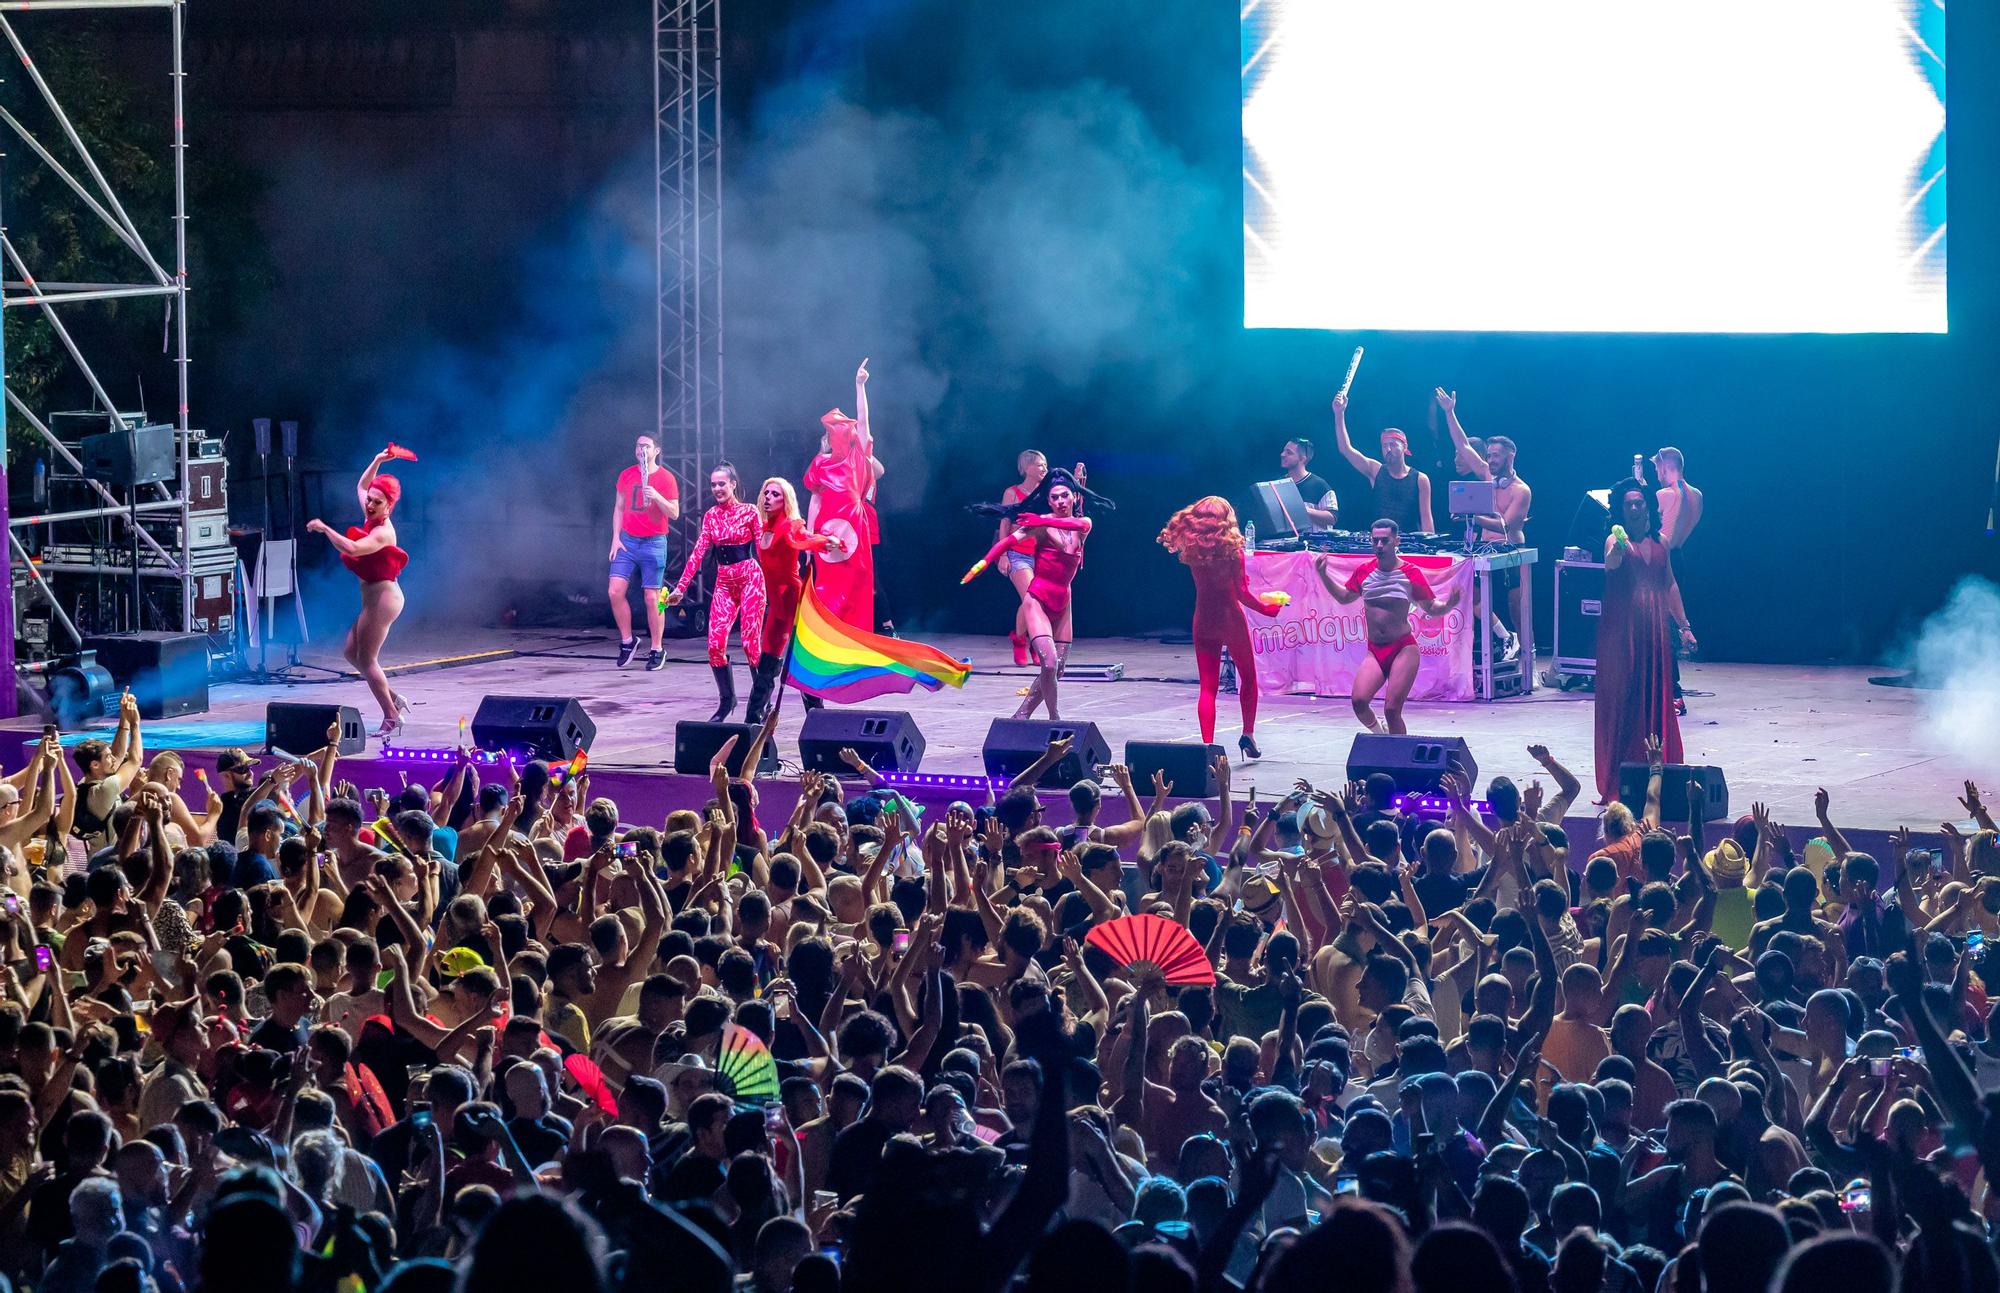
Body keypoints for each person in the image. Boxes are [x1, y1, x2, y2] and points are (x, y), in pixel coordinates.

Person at [966, 467, 1111, 721]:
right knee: (1050, 664)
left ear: (1074, 497)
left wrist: (1042, 520)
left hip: (1063, 602)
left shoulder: (1082, 525)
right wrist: (985, 561)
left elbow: (1076, 521)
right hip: (1038, 601)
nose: (1060, 502)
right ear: (1049, 500)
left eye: (1065, 496)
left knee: (1059, 669)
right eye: (1054, 498)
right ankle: (1055, 719)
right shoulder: (1041, 526)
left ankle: (1021, 715)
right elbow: (1008, 542)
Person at [1156, 497, 1285, 760]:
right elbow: (1242, 593)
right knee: (1248, 678)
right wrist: (1268, 610)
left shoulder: (1192, 550)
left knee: (1208, 687)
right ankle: (1248, 733)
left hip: (1203, 618)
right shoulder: (1232, 551)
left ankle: (1207, 747)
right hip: (1230, 619)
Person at [1593, 477, 1693, 801]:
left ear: (1648, 506)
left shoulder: (1662, 542)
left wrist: (1684, 625)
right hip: (1622, 634)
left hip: (1653, 631)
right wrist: (1618, 552)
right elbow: (1609, 563)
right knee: (1626, 700)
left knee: (1655, 695)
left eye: (1639, 503)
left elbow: (1671, 584)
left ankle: (1659, 770)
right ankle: (1620, 776)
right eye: (1629, 504)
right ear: (1621, 510)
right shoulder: (1615, 538)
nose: (1635, 508)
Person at [307, 445, 415, 738]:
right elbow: (362, 485)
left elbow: (353, 547)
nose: (369, 505)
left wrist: (325, 529)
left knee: (367, 659)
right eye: (369, 501)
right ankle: (392, 698)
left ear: (389, 507)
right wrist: (378, 459)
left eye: (376, 503)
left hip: (384, 599)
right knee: (350, 652)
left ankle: (391, 716)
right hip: (374, 598)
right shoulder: (372, 514)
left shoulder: (383, 532)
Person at [1313, 520, 1460, 734]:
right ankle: (1381, 737)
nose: (1379, 545)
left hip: (1403, 648)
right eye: (1375, 541)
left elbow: (1430, 607)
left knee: (1392, 710)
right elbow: (1344, 597)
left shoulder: (1410, 573)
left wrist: (1449, 604)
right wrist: (1323, 575)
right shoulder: (1364, 571)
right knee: (1359, 701)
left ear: (1396, 541)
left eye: (1384, 540)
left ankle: (1401, 760)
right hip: (1375, 650)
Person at [1435, 388, 1530, 660]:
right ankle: (1504, 636)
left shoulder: (1522, 490)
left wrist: (1470, 515)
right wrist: (1449, 412)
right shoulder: (1487, 473)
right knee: (1472, 594)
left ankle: (1528, 659)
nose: (1490, 460)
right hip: (1484, 547)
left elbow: (1506, 526)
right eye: (1488, 455)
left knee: (1516, 607)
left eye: (1495, 456)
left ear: (1510, 455)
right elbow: (1464, 446)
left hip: (1511, 550)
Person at [666, 463, 766, 722]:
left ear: (733, 484)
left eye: (722, 484)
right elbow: (698, 552)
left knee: (749, 645)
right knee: (714, 645)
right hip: (724, 583)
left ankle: (759, 704)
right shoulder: (711, 516)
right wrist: (680, 588)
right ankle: (726, 701)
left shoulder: (749, 511)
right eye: (713, 485)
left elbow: (764, 549)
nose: (717, 489)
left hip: (750, 578)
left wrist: (782, 582)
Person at [747, 476, 843, 724]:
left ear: (785, 499)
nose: (768, 497)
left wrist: (826, 541)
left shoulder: (790, 524)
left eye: (775, 494)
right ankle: (752, 726)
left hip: (793, 602)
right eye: (766, 493)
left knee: (801, 665)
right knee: (766, 666)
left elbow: (804, 538)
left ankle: (818, 725)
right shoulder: (763, 527)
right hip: (776, 607)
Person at [805, 359, 882, 633]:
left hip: (854, 528)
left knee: (858, 581)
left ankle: (858, 637)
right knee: (828, 584)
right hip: (827, 528)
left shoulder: (858, 457)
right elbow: (815, 499)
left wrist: (860, 386)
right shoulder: (820, 463)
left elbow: (864, 423)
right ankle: (830, 640)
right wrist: (809, 534)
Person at [608, 432, 681, 671]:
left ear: (656, 451)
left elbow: (674, 513)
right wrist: (615, 539)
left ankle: (657, 648)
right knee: (615, 591)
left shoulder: (666, 478)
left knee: (653, 598)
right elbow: (619, 508)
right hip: (627, 541)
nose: (641, 450)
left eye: (646, 446)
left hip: (654, 542)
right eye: (638, 446)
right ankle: (628, 641)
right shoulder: (626, 475)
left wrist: (657, 496)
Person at [1332, 392, 1433, 533]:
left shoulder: (1420, 479)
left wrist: (1429, 549)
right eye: (1384, 445)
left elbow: (1426, 518)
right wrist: (1339, 414)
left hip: (1409, 543)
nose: (1388, 449)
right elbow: (1345, 449)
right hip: (1379, 541)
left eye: (1393, 444)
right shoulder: (1376, 470)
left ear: (1404, 446)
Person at [997, 450, 1049, 666]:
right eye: (1039, 465)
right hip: (1018, 554)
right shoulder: (1012, 492)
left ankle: (1025, 639)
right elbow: (1004, 524)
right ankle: (1022, 642)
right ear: (1027, 467)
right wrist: (1002, 554)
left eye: (1045, 465)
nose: (1044, 469)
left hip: (1043, 554)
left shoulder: (1047, 492)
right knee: (1031, 599)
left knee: (1039, 602)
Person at [1277, 436, 1337, 530]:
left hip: (1314, 543)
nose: (1282, 454)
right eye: (1283, 451)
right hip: (1285, 543)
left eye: (1289, 452)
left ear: (1302, 459)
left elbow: (1332, 518)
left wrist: (1303, 510)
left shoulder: (1319, 485)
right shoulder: (1278, 484)